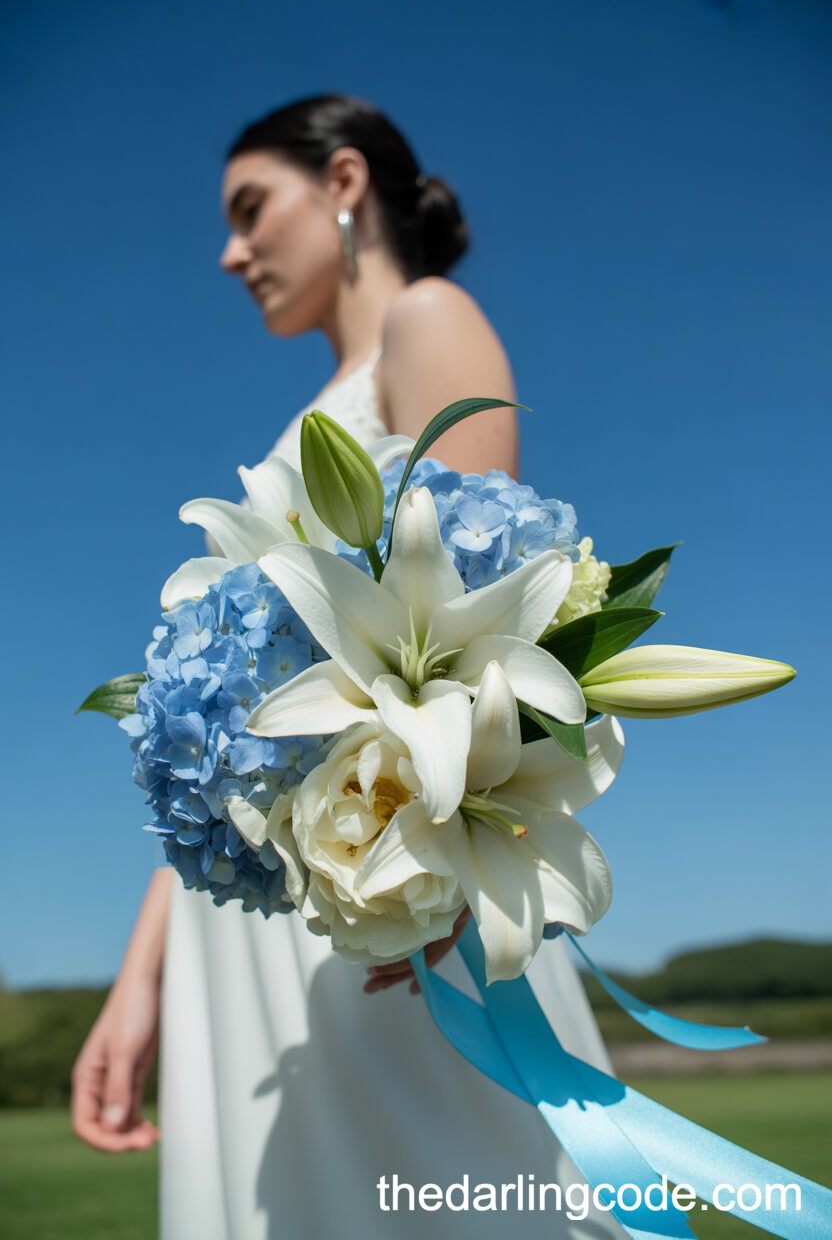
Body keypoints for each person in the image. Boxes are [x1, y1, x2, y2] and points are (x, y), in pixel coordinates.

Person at [73, 94, 625, 1238]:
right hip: (273, 897)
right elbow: (223, 736)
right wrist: (143, 980)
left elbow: (484, 634)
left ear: (343, 182)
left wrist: (426, 851)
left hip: (392, 890)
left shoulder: (426, 320)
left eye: (248, 209)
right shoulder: (311, 417)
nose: (230, 253)